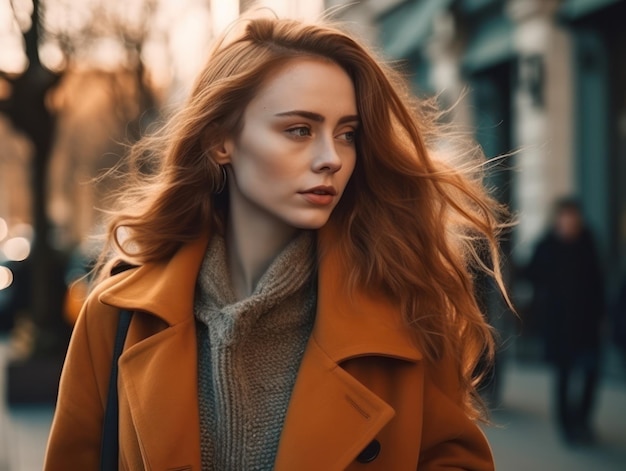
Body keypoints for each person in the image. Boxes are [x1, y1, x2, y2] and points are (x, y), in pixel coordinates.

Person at [44, 13, 510, 470]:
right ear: (220, 141)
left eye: (347, 134)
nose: (331, 158)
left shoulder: (405, 311)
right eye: (300, 130)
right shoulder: (118, 315)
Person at [525, 197, 605, 445]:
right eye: (566, 217)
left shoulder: (588, 243)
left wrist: (603, 316)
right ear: (558, 219)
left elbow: (599, 282)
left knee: (591, 373)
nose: (571, 222)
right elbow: (532, 276)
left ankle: (582, 419)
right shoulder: (546, 246)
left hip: (587, 323)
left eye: (574, 217)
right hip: (559, 324)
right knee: (563, 376)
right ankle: (567, 427)